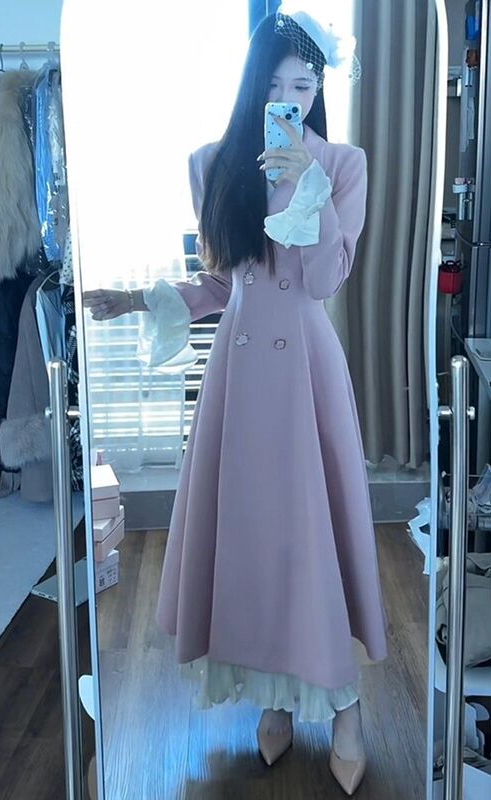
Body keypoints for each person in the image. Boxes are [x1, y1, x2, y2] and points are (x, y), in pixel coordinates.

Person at [84, 5, 389, 795]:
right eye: (275, 85)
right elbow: (225, 283)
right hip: (240, 372)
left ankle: (344, 707)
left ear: (318, 90)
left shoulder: (342, 164)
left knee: (308, 538)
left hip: (305, 373)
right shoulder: (212, 162)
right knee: (253, 540)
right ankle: (274, 697)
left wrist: (304, 181)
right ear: (253, 87)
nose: (289, 98)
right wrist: (140, 299)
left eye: (304, 85)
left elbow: (324, 280)